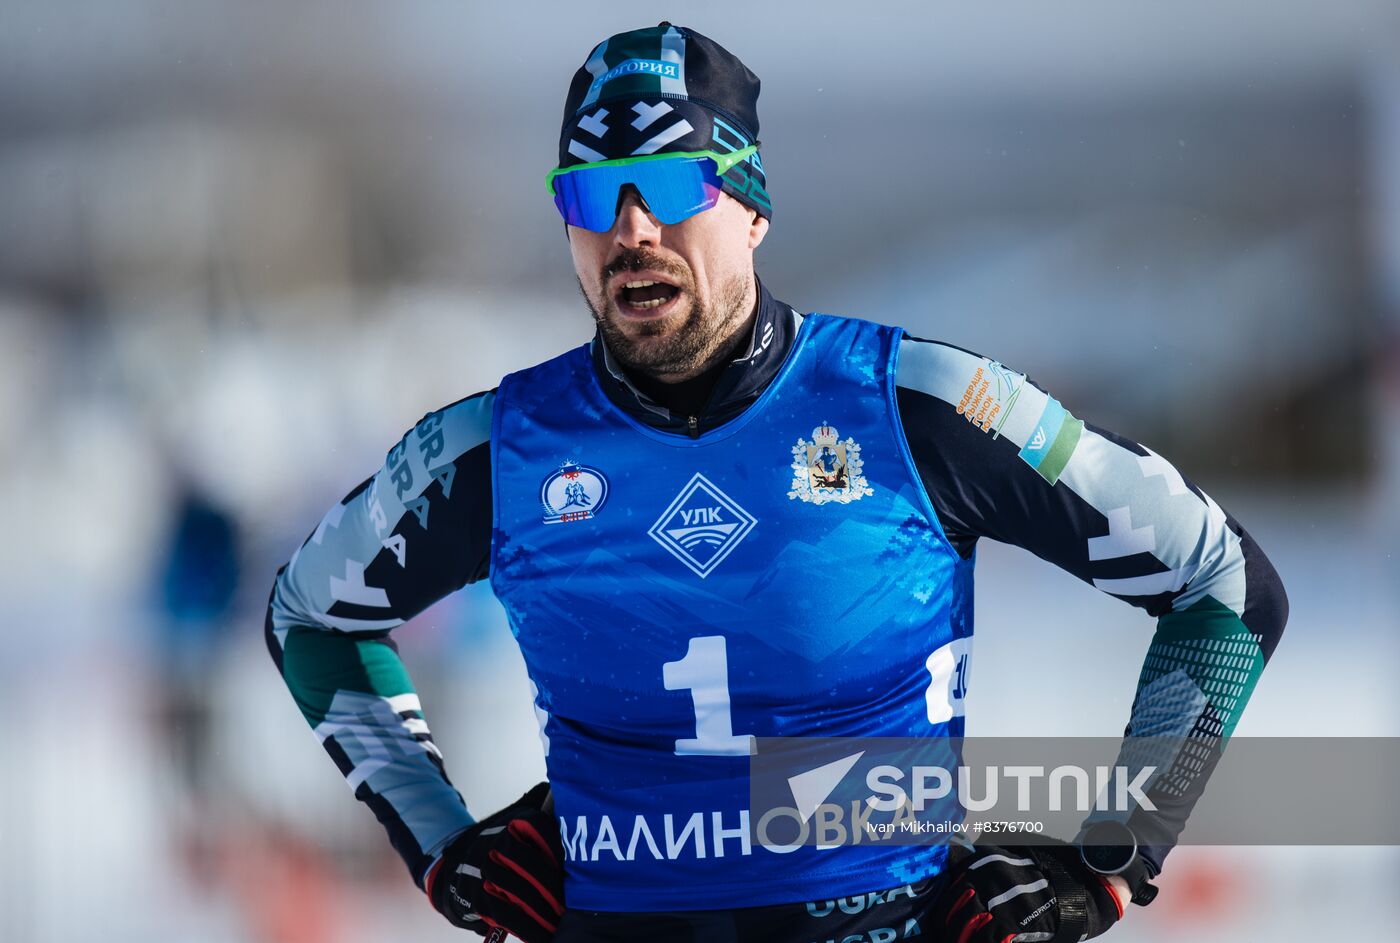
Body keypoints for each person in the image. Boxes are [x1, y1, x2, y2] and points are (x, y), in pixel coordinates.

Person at [266, 23, 1287, 943]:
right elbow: (309, 618)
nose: (629, 231)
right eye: (587, 195)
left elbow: (1222, 586)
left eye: (668, 188)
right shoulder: (502, 449)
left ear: (749, 209)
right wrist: (442, 846)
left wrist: (1111, 858)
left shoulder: (916, 402)